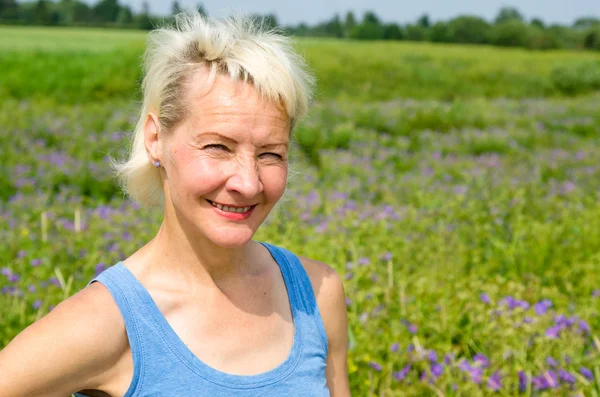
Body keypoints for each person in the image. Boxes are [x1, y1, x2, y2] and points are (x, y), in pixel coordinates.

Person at [0, 12, 351, 397]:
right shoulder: (109, 322)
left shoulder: (317, 295)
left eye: (271, 154)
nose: (248, 182)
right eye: (218, 147)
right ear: (155, 139)